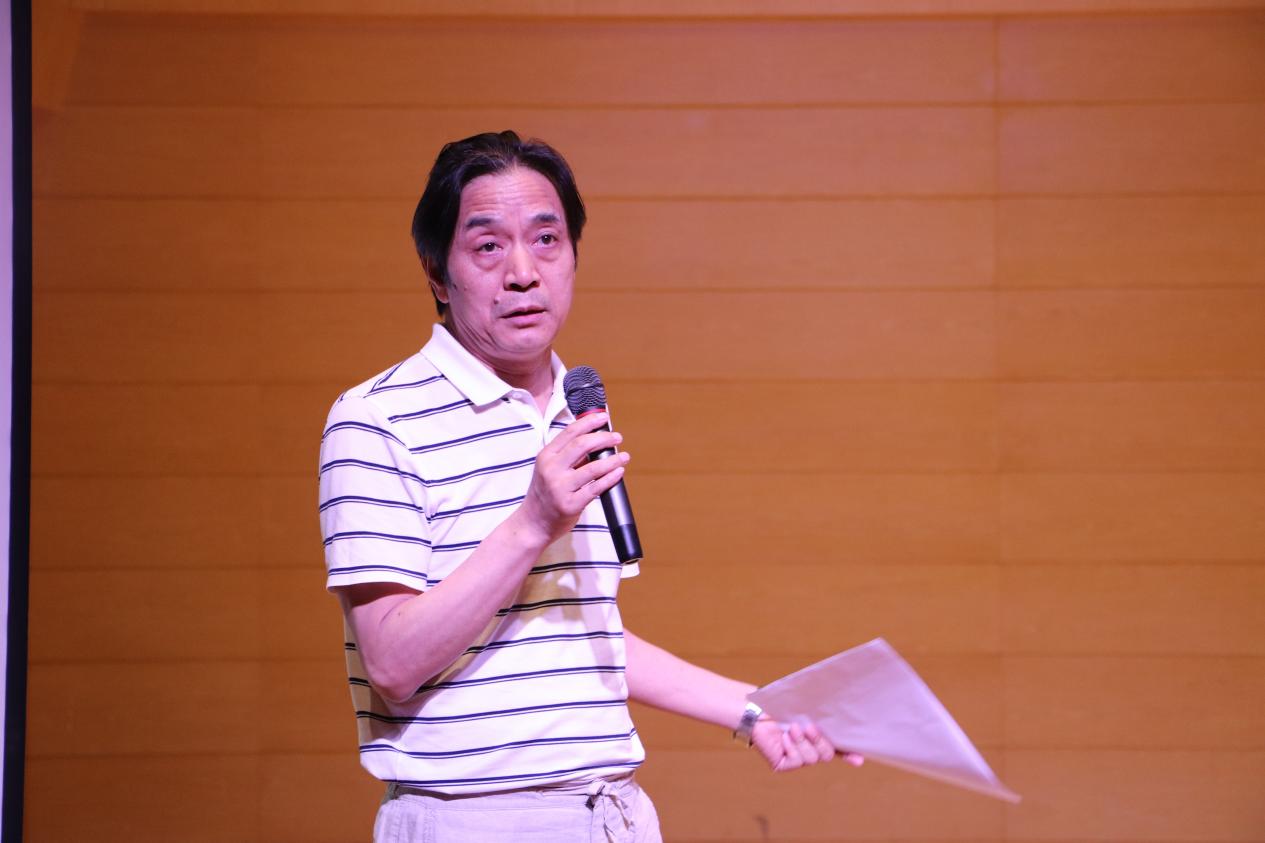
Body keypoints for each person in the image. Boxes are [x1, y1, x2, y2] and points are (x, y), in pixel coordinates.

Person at [318, 130, 858, 843]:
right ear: (437, 272)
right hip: (474, 819)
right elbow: (391, 661)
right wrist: (532, 523)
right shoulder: (375, 418)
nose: (523, 273)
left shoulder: (575, 409)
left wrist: (754, 710)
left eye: (546, 240)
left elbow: (582, 631)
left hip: (611, 813)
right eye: (488, 246)